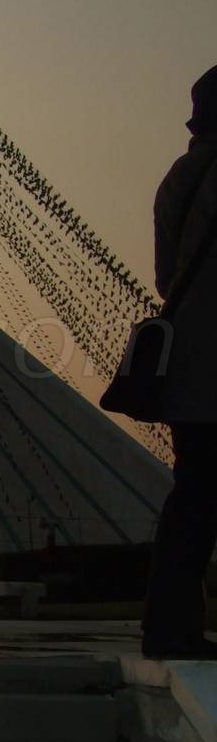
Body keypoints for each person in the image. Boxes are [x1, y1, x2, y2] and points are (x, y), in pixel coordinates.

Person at [137, 65, 217, 660]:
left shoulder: (175, 181)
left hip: (187, 370)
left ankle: (170, 625)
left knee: (192, 495)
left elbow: (167, 278)